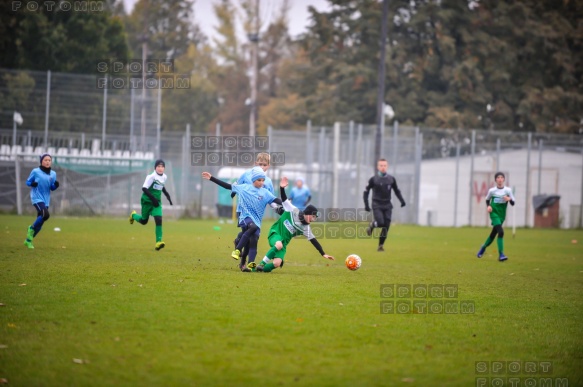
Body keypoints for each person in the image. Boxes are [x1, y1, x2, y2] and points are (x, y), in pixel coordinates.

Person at [202, 167, 283, 272]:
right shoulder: (244, 188)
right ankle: (237, 250)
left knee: (253, 240)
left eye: (263, 180)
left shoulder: (265, 193)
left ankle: (250, 264)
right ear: (253, 180)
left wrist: (288, 204)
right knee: (252, 227)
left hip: (257, 221)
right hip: (245, 217)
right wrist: (211, 178)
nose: (262, 182)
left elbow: (277, 200)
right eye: (259, 180)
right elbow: (227, 186)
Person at [256, 176, 335, 273]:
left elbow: (314, 241)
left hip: (283, 244)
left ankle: (258, 270)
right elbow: (284, 199)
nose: (314, 219)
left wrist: (323, 253)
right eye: (313, 216)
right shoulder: (293, 210)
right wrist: (281, 188)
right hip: (275, 233)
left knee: (277, 263)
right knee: (279, 245)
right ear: (307, 213)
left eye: (315, 218)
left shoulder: (306, 228)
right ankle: (262, 264)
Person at [232, 153, 280, 270]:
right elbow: (236, 185)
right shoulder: (246, 175)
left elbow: (270, 199)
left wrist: (278, 209)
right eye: (260, 164)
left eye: (265, 165)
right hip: (243, 210)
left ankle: (239, 241)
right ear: (255, 163)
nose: (262, 167)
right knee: (249, 236)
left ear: (268, 166)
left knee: (252, 237)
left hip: (257, 213)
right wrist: (233, 192)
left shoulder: (267, 182)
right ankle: (243, 263)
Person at [129, 159, 173, 251]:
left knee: (159, 219)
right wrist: (152, 198)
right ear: (155, 167)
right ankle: (133, 215)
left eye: (162, 166)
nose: (160, 168)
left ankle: (158, 242)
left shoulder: (164, 177)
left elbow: (161, 186)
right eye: (158, 166)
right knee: (144, 221)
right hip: (147, 201)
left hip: (157, 202)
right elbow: (144, 188)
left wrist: (167, 194)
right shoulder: (151, 176)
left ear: (164, 168)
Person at [363, 158, 406, 252]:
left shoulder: (391, 179)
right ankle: (372, 225)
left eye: (384, 165)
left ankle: (380, 246)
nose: (383, 167)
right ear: (378, 167)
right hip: (377, 204)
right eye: (381, 165)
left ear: (387, 166)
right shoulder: (373, 179)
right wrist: (366, 204)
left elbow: (396, 191)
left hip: (387, 205)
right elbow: (366, 192)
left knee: (386, 226)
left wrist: (402, 201)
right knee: (381, 222)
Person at [476, 172, 515, 261]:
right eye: (498, 177)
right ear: (495, 180)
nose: (500, 179)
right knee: (501, 232)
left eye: (502, 177)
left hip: (502, 215)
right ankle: (501, 254)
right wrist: (488, 206)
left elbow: (513, 203)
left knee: (493, 234)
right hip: (494, 213)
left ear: (504, 179)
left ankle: (483, 247)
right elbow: (487, 199)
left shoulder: (508, 190)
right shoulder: (492, 191)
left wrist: (509, 199)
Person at [24, 153, 60, 249]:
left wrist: (56, 186)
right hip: (36, 198)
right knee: (46, 215)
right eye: (45, 160)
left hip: (46, 200)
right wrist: (33, 183)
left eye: (49, 160)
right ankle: (31, 229)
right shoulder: (35, 171)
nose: (48, 162)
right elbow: (27, 182)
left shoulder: (53, 174)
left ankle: (28, 241)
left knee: (41, 222)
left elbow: (51, 187)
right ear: (41, 161)